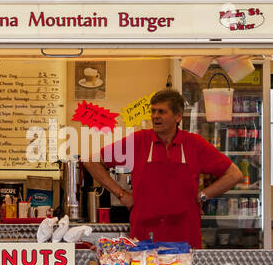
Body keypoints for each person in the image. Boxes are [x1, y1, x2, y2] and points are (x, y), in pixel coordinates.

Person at [84, 89, 243, 249]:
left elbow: (234, 175)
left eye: (162, 111)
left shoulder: (195, 144)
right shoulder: (138, 141)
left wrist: (203, 196)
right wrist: (121, 193)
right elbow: (90, 161)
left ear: (178, 116)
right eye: (153, 111)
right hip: (145, 238)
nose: (155, 116)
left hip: (185, 237)